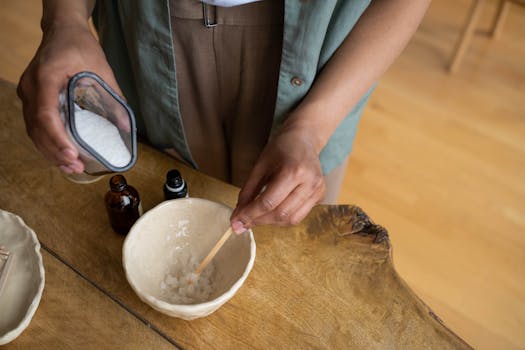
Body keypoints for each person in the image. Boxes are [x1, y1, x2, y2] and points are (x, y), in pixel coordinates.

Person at [17, 0, 430, 234]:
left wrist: (312, 127)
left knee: (288, 222)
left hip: (323, 45)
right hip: (142, 27)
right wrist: (64, 19)